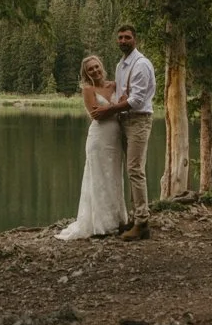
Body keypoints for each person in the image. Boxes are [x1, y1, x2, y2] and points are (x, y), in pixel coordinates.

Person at [56, 55, 129, 240]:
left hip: (115, 138)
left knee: (114, 176)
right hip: (98, 138)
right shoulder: (88, 89)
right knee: (98, 178)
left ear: (101, 66)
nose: (95, 70)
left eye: (96, 66)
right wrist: (117, 106)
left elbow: (125, 103)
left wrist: (111, 108)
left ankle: (117, 220)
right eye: (90, 69)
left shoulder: (114, 85)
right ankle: (100, 224)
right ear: (86, 73)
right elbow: (96, 115)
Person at [95, 25, 155, 241]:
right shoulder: (121, 65)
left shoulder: (141, 65)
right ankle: (136, 216)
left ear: (134, 39)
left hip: (139, 120)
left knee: (135, 169)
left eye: (127, 37)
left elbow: (137, 100)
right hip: (124, 120)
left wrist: (109, 110)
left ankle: (142, 223)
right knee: (131, 170)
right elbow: (123, 95)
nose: (122, 41)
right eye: (120, 37)